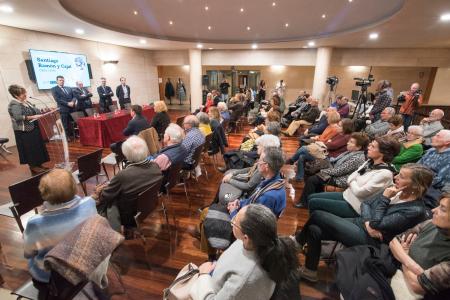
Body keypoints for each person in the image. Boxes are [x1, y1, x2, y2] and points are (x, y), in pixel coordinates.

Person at [292, 163, 432, 283]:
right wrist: (367, 222)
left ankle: (296, 244)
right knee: (315, 228)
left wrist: (384, 199)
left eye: (401, 176)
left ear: (415, 185)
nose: (395, 177)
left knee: (317, 215)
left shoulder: (415, 209)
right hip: (362, 225)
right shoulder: (394, 190)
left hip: (372, 241)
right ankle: (310, 272)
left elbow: (377, 224)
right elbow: (366, 204)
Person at [190, 204, 300, 300]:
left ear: (246, 238)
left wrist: (204, 276)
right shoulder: (255, 243)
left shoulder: (244, 281)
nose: (231, 222)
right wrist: (217, 266)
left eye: (234, 222)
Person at [23, 169, 97, 291]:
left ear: (44, 193)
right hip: (86, 263)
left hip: (54, 277)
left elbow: (28, 254)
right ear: (74, 187)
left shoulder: (35, 223)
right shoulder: (89, 203)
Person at [306, 137, 400, 218]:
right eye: (370, 145)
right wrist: (353, 181)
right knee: (311, 197)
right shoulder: (369, 162)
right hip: (347, 195)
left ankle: (316, 226)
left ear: (383, 153)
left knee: (314, 202)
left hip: (356, 206)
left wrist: (352, 181)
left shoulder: (385, 173)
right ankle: (316, 225)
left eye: (373, 147)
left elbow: (360, 193)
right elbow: (351, 177)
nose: (368, 148)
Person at [95, 136, 162, 233]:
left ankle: (111, 234)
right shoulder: (155, 166)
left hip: (129, 217)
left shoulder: (123, 175)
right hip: (148, 207)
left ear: (126, 155)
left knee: (107, 202)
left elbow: (106, 196)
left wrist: (99, 191)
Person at [388, 194, 450, 298]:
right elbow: (394, 242)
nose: (433, 210)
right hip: (390, 267)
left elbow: (416, 285)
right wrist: (414, 267)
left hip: (403, 289)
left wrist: (403, 256)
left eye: (442, 209)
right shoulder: (431, 223)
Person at [295, 132, 369, 208]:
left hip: (341, 179)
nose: (347, 143)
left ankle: (305, 203)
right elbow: (336, 165)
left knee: (313, 179)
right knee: (311, 170)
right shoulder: (352, 153)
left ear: (358, 147)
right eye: (349, 141)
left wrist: (322, 170)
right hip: (336, 172)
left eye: (351, 142)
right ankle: (316, 197)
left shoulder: (357, 158)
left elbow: (338, 171)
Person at [218, 134, 280, 204]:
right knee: (228, 174)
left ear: (264, 148)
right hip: (247, 182)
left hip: (246, 195)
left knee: (225, 197)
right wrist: (233, 173)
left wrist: (230, 180)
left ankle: (220, 204)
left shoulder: (262, 168)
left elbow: (248, 186)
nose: (257, 146)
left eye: (259, 145)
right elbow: (250, 169)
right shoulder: (263, 161)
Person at [285, 111, 341, 182]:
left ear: (332, 118)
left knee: (303, 148)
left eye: (328, 117)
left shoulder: (335, 129)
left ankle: (292, 160)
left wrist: (317, 138)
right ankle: (299, 177)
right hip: (318, 146)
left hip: (322, 152)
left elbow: (326, 141)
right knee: (301, 156)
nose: (326, 118)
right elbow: (323, 137)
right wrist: (318, 137)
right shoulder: (329, 126)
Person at [8, 84, 50, 174]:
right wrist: (33, 116)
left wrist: (43, 110)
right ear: (16, 95)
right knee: (30, 149)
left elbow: (36, 110)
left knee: (37, 147)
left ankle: (39, 164)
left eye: (24, 92)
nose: (25, 95)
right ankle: (33, 166)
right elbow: (18, 117)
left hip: (33, 128)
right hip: (24, 131)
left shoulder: (25, 102)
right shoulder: (14, 104)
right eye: (23, 93)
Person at [418, 130, 450, 194]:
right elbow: (416, 166)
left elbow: (439, 181)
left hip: (431, 190)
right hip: (417, 180)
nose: (433, 137)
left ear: (447, 142)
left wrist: (415, 181)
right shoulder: (431, 150)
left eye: (438, 136)